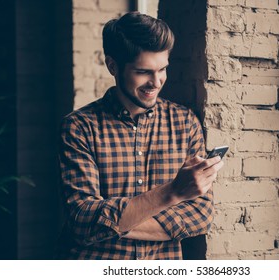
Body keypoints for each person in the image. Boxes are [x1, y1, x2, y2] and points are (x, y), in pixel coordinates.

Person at [57, 11, 224, 260]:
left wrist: (112, 224)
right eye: (143, 72)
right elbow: (82, 220)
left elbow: (200, 216)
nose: (156, 82)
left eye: (163, 69)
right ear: (113, 66)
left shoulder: (185, 123)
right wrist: (173, 193)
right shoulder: (79, 127)